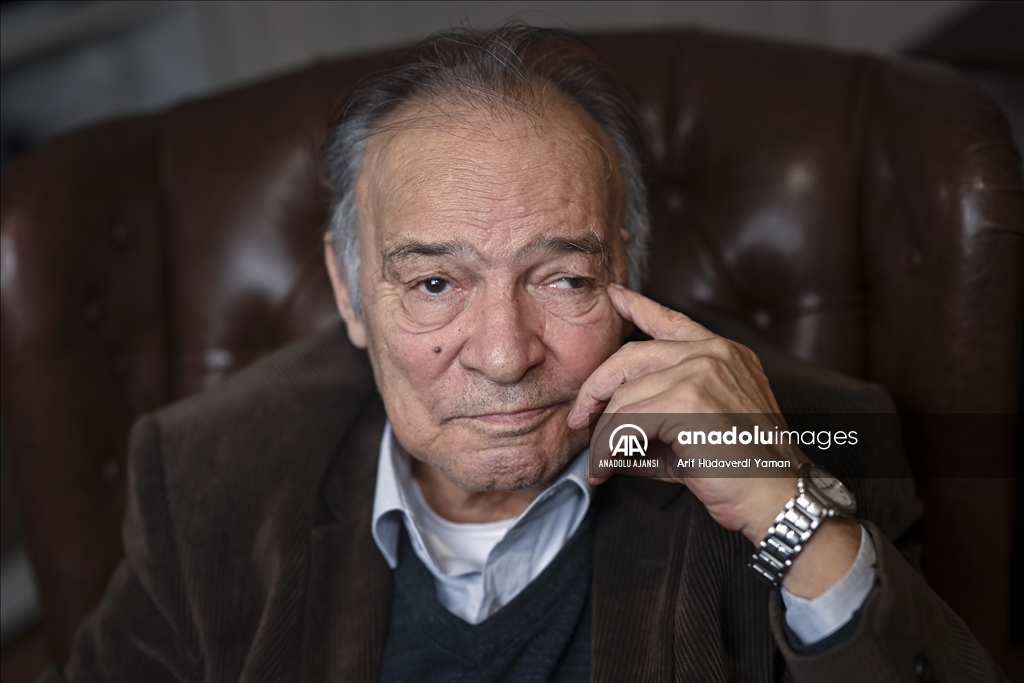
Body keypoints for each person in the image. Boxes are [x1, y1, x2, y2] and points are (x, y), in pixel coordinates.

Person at [47, 25, 1003, 682]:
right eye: (435, 283)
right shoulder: (205, 471)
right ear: (348, 291)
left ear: (627, 268)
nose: (505, 356)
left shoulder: (808, 433)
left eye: (564, 278)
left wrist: (790, 512)